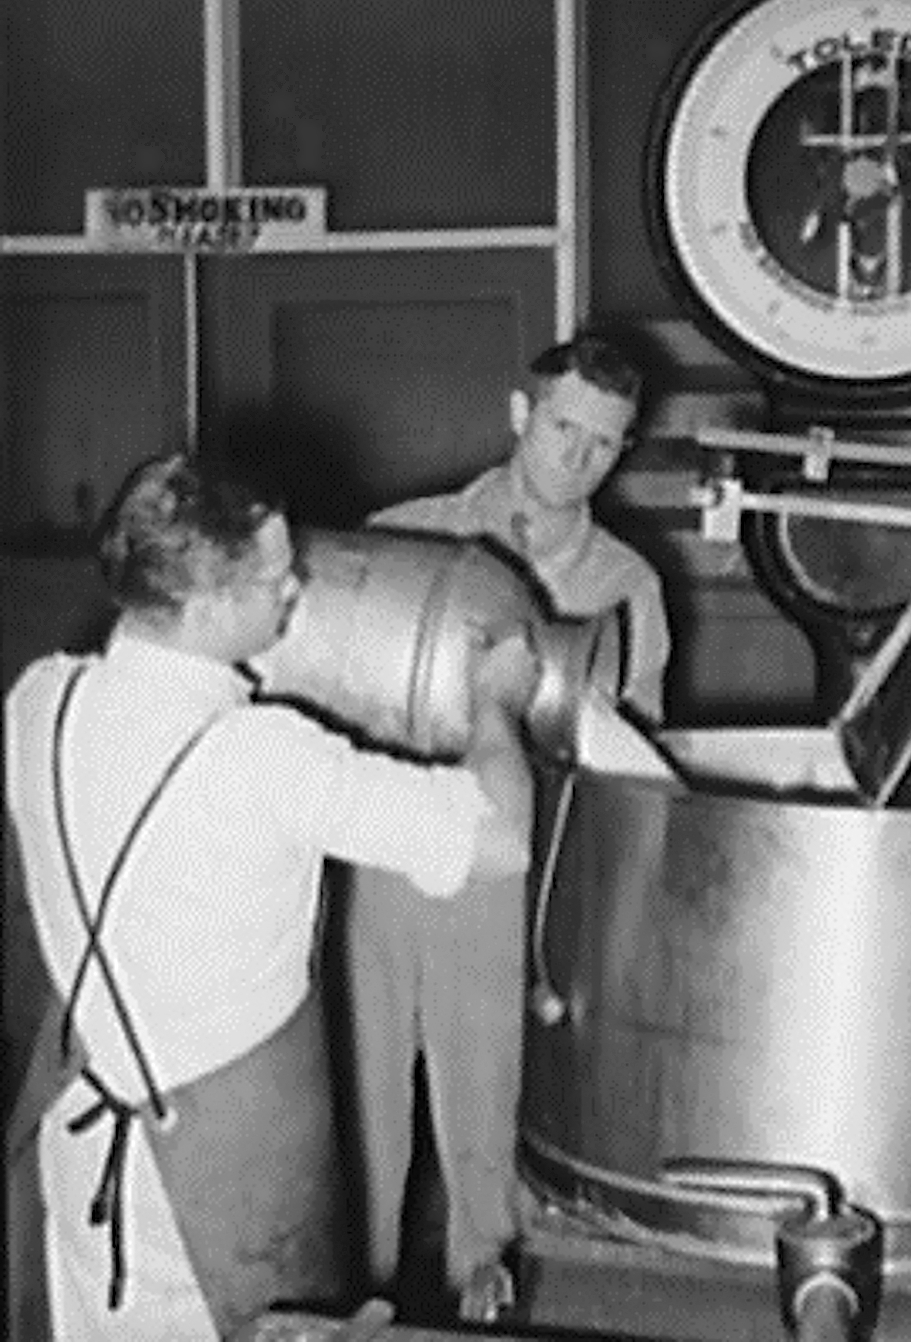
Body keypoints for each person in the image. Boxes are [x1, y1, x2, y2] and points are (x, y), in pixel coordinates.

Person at [4, 449, 538, 1342]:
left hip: (81, 1148)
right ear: (211, 605)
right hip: (221, 1193)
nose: (296, 593)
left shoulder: (38, 701)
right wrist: (497, 705)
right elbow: (502, 837)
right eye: (276, 580)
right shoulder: (269, 759)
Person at [348, 330, 670, 1322]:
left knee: (490, 1115)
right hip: (378, 859)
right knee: (359, 1102)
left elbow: (629, 763)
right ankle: (349, 1297)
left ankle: (483, 1298)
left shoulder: (626, 587)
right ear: (522, 413)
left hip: (512, 884)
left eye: (606, 443)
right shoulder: (404, 535)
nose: (579, 458)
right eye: (565, 428)